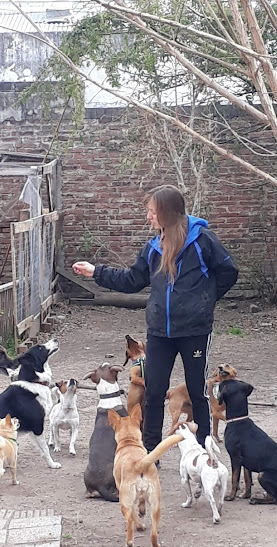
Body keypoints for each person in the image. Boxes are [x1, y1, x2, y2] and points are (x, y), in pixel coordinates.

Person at [73, 185, 238, 457]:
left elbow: (229, 272)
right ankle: (149, 453)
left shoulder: (203, 241)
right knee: (153, 393)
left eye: (152, 212)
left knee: (198, 393)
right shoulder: (153, 247)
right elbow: (132, 280)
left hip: (195, 331)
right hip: (160, 332)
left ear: (168, 213)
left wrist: (205, 301)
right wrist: (96, 273)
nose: (148, 217)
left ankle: (203, 450)